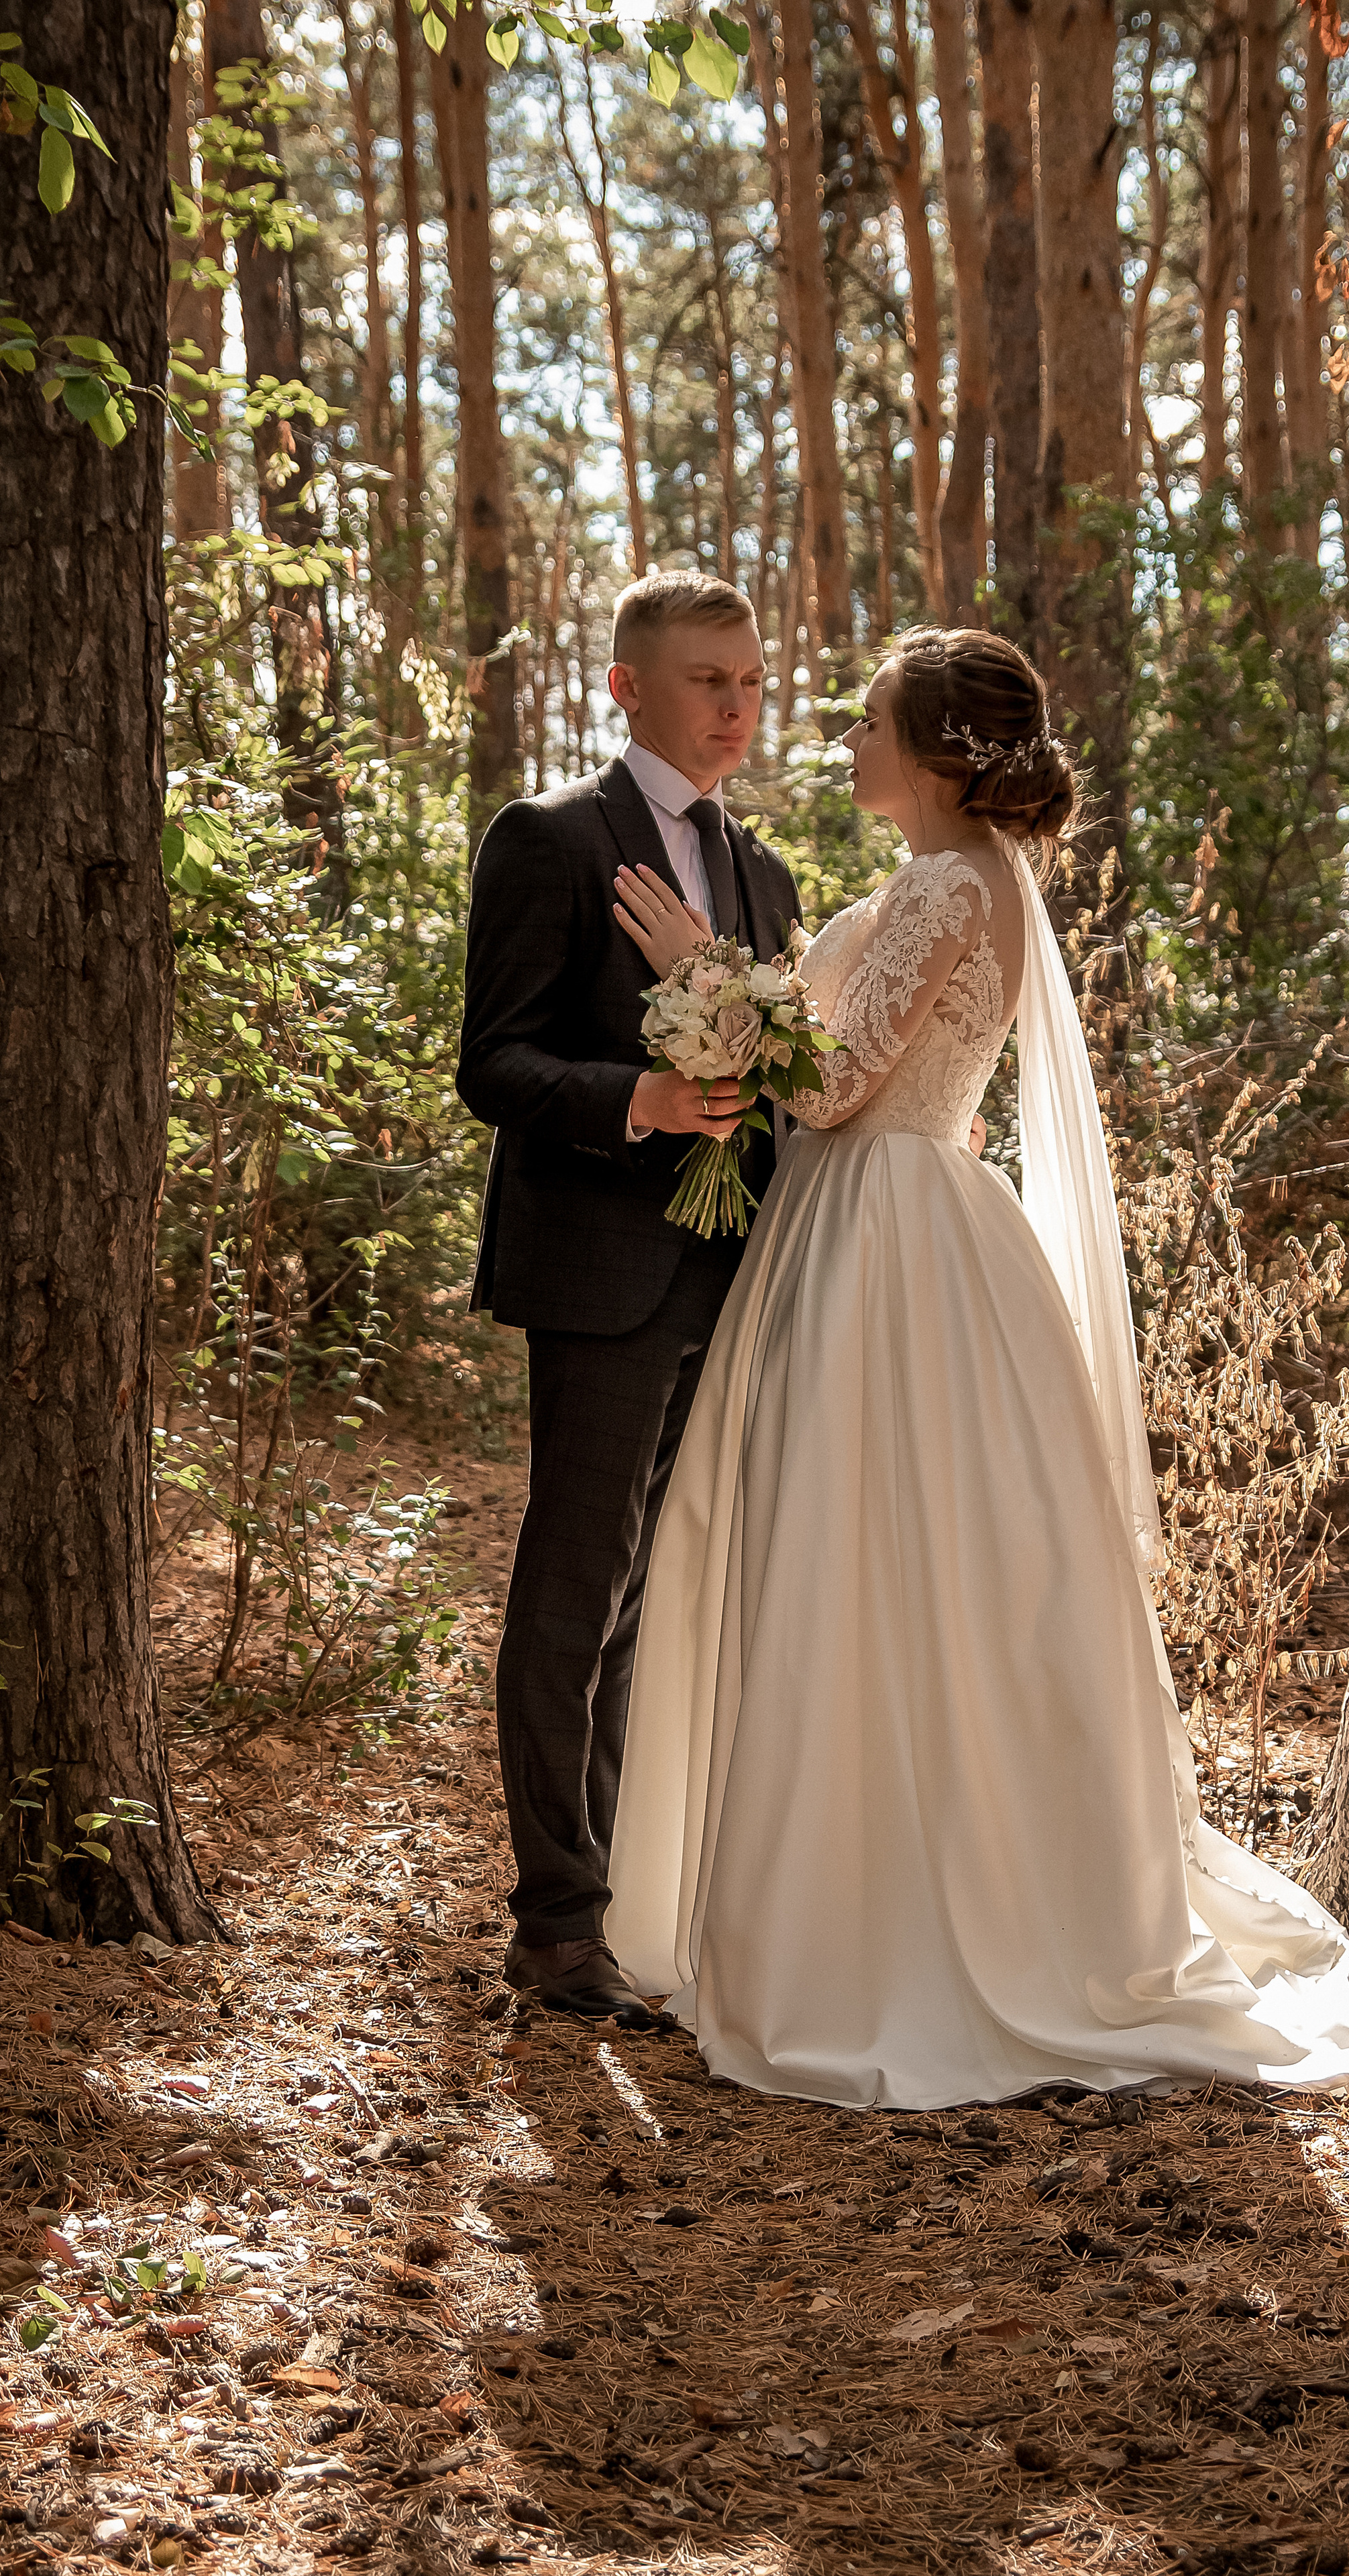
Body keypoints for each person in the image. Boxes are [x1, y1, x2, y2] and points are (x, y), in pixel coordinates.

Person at [601, 627, 1349, 2109]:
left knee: (867, 1555)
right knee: (887, 1561)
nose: (844, 739)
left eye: (868, 720)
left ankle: (877, 1928)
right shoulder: (952, 881)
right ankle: (849, 1888)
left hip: (886, 1239)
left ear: (939, 754)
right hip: (884, 1220)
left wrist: (704, 978)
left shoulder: (956, 885)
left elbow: (837, 1086)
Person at [455, 569, 801, 2027]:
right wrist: (639, 1100)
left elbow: (789, 1076)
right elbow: (492, 1062)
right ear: (627, 688)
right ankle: (554, 1925)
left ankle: (626, 1896)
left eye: (750, 679)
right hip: (601, 1270)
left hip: (738, 1272)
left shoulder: (765, 873)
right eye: (708, 679)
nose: (736, 706)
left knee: (658, 1596)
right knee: (577, 1585)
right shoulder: (550, 839)